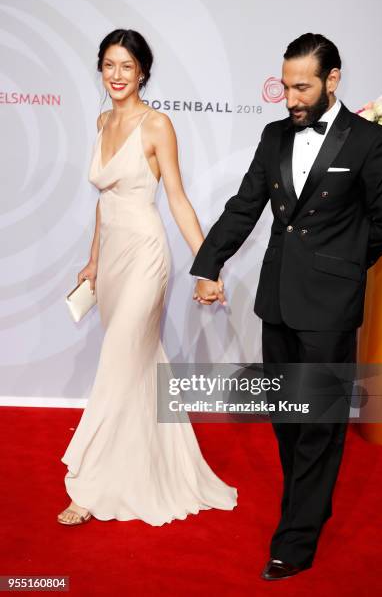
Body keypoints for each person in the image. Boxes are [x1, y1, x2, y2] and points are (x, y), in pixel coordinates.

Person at [190, 33, 382, 580]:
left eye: (303, 86)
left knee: (320, 424)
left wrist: (343, 265)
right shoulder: (273, 136)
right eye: (286, 86)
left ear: (333, 80)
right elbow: (244, 207)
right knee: (288, 419)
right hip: (278, 301)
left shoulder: (368, 141)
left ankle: (295, 540)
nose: (291, 98)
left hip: (330, 306)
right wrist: (208, 262)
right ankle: (306, 507)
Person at [57, 28, 237, 526]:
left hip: (145, 256)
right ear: (102, 69)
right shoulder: (101, 120)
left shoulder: (157, 125)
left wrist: (207, 265)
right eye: (109, 65)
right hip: (112, 258)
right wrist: (93, 258)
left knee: (116, 362)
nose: (117, 75)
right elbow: (104, 200)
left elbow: (176, 198)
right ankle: (148, 463)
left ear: (143, 73)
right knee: (134, 366)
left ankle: (89, 487)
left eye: (127, 67)